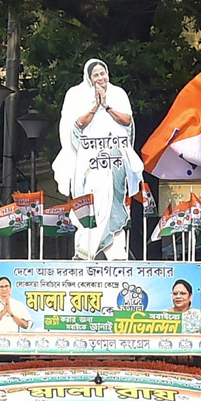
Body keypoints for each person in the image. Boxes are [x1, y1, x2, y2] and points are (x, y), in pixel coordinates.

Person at [52, 58, 144, 260]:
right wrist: (95, 106)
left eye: (103, 73)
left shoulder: (118, 94)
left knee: (115, 203)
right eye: (96, 75)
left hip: (114, 160)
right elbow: (75, 126)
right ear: (89, 78)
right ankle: (86, 251)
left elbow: (128, 121)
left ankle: (116, 253)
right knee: (93, 204)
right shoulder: (76, 95)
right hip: (90, 162)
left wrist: (107, 105)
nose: (101, 78)